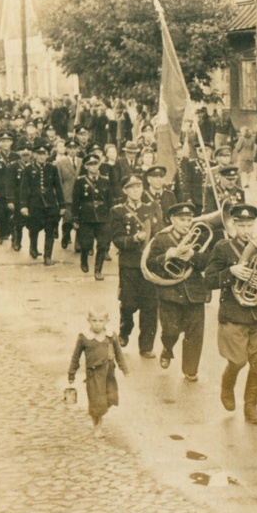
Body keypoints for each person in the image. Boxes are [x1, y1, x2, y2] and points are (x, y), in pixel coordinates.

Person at [205, 203, 257, 425]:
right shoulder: (223, 248)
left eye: (250, 225)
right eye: (242, 225)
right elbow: (208, 279)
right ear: (233, 225)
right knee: (237, 361)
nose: (246, 230)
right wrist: (230, 272)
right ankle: (227, 385)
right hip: (234, 314)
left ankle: (251, 406)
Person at [144, 202, 211, 382]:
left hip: (195, 292)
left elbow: (208, 261)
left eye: (189, 219)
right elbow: (149, 264)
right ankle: (167, 347)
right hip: (170, 293)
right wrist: (168, 255)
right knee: (171, 331)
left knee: (195, 334)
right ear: (172, 219)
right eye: (182, 220)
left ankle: (190, 370)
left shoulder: (200, 238)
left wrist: (194, 257)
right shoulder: (161, 239)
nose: (187, 224)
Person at [109, 175, 163, 355]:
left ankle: (146, 347)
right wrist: (133, 239)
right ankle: (125, 330)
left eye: (139, 186)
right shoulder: (117, 211)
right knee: (128, 303)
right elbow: (116, 238)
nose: (136, 190)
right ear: (125, 190)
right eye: (131, 187)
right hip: (129, 264)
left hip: (149, 265)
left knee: (150, 306)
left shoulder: (151, 208)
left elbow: (159, 233)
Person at [68, 305, 129, 439]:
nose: (97, 324)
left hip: (108, 373)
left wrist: (124, 369)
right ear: (88, 320)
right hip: (93, 375)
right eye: (94, 320)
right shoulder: (84, 337)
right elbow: (76, 356)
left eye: (100, 321)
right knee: (96, 402)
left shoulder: (110, 335)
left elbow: (119, 353)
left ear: (107, 321)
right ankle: (97, 426)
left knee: (109, 398)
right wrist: (71, 373)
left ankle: (100, 416)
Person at [19, 143, 65, 265]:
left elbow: (58, 188)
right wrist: (24, 205)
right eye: (39, 154)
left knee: (50, 230)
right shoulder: (28, 169)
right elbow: (24, 189)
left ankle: (48, 256)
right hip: (34, 204)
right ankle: (33, 247)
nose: (41, 156)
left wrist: (62, 205)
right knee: (34, 229)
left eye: (44, 154)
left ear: (47, 155)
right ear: (34, 155)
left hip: (50, 205)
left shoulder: (52, 168)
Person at [73, 153, 114, 278]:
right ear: (86, 166)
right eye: (90, 165)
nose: (93, 167)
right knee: (86, 243)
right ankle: (84, 259)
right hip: (86, 216)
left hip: (103, 216)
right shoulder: (80, 181)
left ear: (99, 165)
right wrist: (75, 218)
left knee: (102, 244)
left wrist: (111, 216)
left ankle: (98, 270)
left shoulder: (105, 181)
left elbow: (110, 199)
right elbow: (75, 200)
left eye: (95, 164)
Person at [55, 138, 83, 250]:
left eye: (75, 148)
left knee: (80, 219)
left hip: (81, 195)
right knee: (68, 218)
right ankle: (66, 235)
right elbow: (59, 181)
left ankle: (78, 243)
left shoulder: (82, 161)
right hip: (67, 195)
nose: (72, 150)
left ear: (78, 149)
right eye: (70, 148)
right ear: (66, 149)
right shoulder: (60, 163)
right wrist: (60, 198)